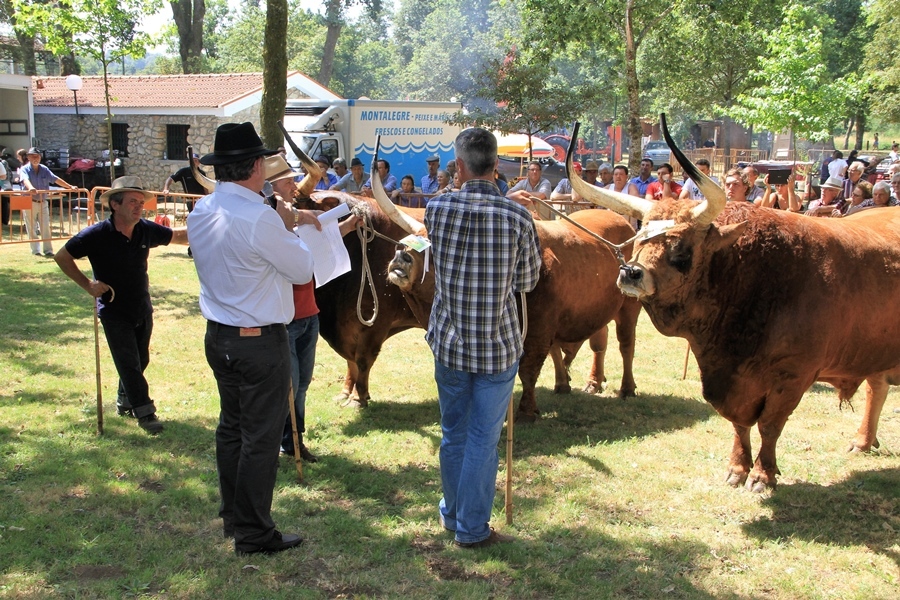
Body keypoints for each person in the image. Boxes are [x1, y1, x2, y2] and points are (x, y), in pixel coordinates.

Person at [187, 122, 314, 556]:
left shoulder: (202, 210)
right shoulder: (261, 217)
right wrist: (287, 226)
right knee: (258, 438)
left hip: (220, 335)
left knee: (232, 429)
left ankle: (234, 517)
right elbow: (301, 271)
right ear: (257, 166)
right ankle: (254, 532)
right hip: (258, 341)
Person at [426, 127, 541, 549]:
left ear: (458, 166)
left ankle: (452, 513)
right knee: (481, 438)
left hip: (450, 343)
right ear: (497, 167)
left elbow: (437, 263)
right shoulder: (518, 217)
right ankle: (471, 528)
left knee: (454, 432)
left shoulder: (436, 210)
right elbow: (528, 281)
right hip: (497, 345)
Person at [54, 176, 188, 433]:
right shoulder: (95, 235)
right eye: (132, 202)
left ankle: (125, 400)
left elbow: (177, 237)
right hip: (113, 309)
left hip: (142, 306)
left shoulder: (145, 229)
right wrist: (88, 285)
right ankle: (145, 412)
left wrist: (211, 232)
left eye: (141, 202)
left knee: (140, 360)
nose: (139, 207)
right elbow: (62, 257)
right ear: (115, 205)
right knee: (128, 363)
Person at [263, 154, 360, 462]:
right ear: (272, 186)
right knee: (289, 384)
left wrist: (348, 225)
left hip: (308, 314)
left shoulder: (295, 215)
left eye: (294, 179)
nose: (295, 186)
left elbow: (318, 239)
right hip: (283, 318)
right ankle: (285, 440)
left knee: (301, 383)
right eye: (289, 181)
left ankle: (292, 439)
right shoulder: (264, 224)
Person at [21, 147, 77, 257]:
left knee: (45, 226)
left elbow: (56, 179)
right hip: (29, 201)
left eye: (37, 156)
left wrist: (69, 186)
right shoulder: (24, 169)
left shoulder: (44, 169)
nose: (35, 158)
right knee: (31, 227)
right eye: (32, 156)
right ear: (28, 157)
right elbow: (25, 180)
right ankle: (36, 250)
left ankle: (48, 250)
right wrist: (31, 188)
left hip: (43, 201)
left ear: (40, 157)